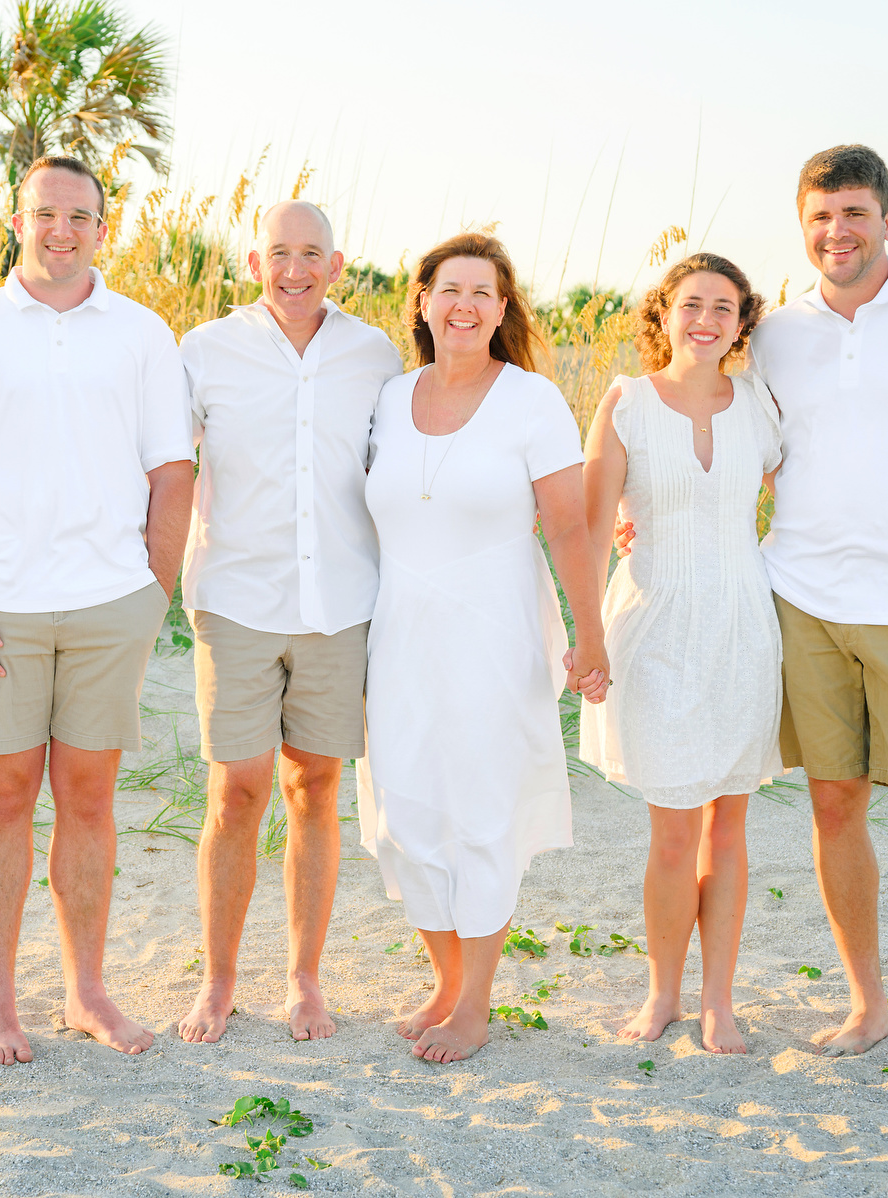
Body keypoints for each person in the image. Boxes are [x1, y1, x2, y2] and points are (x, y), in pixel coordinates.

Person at [620, 146, 888, 1094]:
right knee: (833, 804)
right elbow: (736, 439)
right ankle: (867, 1004)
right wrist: (641, 506)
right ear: (801, 226)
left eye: (853, 213)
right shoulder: (777, 332)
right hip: (798, 599)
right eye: (818, 217)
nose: (835, 233)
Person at [0, 154, 194, 1064]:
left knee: (88, 798)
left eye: (79, 216)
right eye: (44, 215)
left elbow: (171, 472)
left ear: (103, 228)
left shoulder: (144, 333)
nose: (60, 231)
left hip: (113, 602)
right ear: (15, 220)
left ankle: (85, 991)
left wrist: (155, 591)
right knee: (1, 796)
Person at [359, 232, 607, 1064]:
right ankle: (443, 979)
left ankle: (476, 1000)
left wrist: (589, 631)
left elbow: (569, 527)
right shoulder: (389, 399)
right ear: (423, 301)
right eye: (449, 290)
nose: (464, 306)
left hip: (495, 633)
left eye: (483, 294)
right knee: (407, 809)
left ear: (503, 311)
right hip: (398, 635)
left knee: (482, 808)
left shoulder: (533, 401)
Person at [174, 201, 402, 1044]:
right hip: (235, 600)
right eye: (279, 253)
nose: (295, 270)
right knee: (235, 794)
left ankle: (305, 979)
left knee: (316, 788)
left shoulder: (373, 354)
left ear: (337, 265)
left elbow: (408, 464)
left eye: (312, 254)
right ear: (252, 260)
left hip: (341, 603)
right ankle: (219, 980)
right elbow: (155, 462)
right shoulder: (204, 350)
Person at [579, 253, 780, 1055]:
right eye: (691, 304)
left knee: (727, 830)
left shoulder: (761, 404)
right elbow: (594, 531)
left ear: (742, 322)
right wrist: (585, 636)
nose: (706, 319)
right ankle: (663, 993)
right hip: (655, 629)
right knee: (672, 833)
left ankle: (719, 1003)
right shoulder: (626, 402)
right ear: (662, 313)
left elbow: (811, 497)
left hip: (740, 628)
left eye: (723, 308)